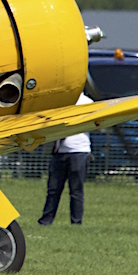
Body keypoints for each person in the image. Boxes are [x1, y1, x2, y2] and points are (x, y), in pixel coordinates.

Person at [39, 91, 93, 226]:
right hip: (59, 152)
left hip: (79, 151)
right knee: (53, 189)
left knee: (76, 190)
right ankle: (46, 220)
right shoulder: (60, 101)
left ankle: (76, 222)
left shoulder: (87, 103)